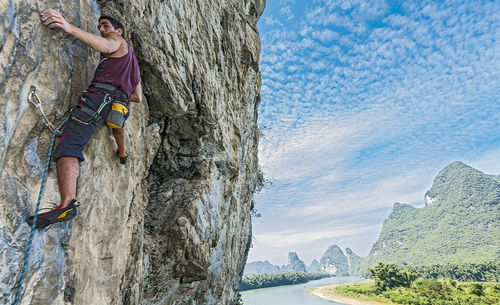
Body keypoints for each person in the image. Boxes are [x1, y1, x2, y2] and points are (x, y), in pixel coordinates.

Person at [27, 9, 142, 229]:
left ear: (119, 31)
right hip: (114, 104)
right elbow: (136, 96)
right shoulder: (133, 65)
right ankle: (122, 152)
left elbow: (106, 46)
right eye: (100, 27)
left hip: (98, 98)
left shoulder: (115, 40)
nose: (102, 29)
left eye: (106, 25)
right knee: (116, 127)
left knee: (69, 146)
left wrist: (68, 27)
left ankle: (66, 202)